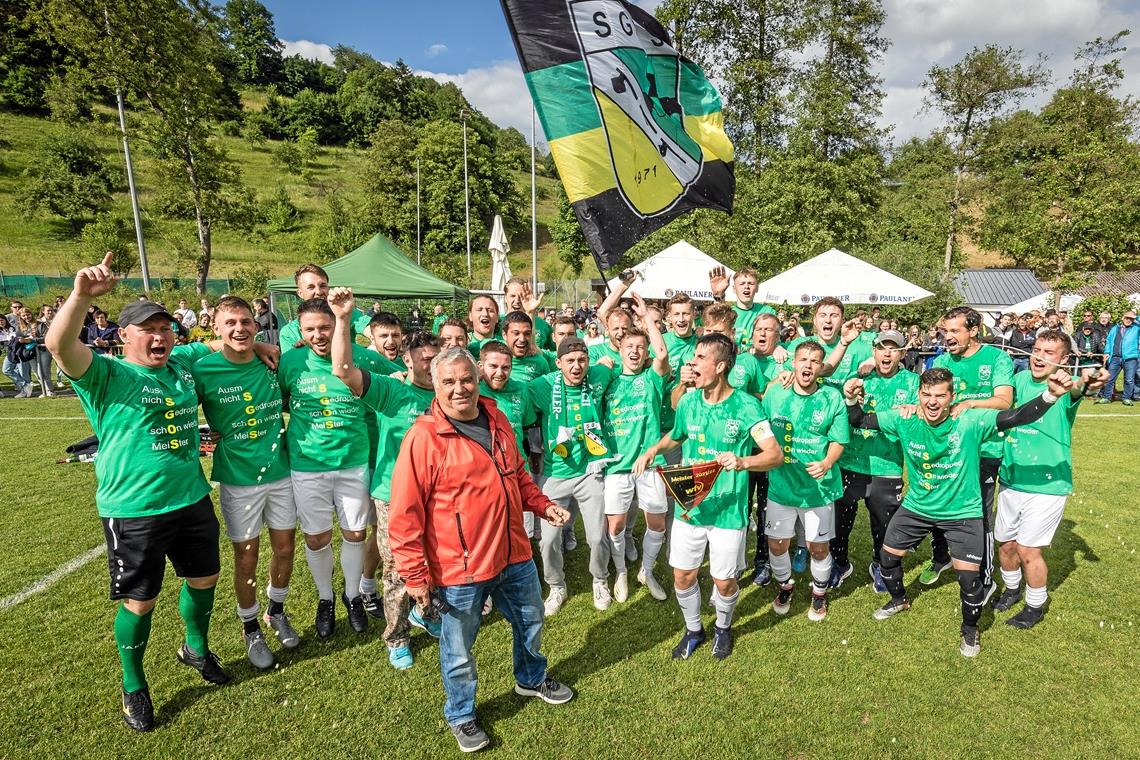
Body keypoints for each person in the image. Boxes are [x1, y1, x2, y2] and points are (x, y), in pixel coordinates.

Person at [45, 254, 275, 731]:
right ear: (124, 335)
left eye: (166, 329)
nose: (159, 337)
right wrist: (82, 297)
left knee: (205, 580)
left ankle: (195, 648)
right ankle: (134, 684)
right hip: (134, 509)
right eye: (147, 330)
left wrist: (260, 348)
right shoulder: (107, 375)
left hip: (191, 498)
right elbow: (58, 345)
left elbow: (227, 340)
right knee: (140, 601)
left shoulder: (183, 363)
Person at [388, 346, 573, 753]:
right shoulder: (423, 438)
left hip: (515, 554)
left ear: (478, 380)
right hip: (461, 570)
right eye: (449, 382)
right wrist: (416, 577)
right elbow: (404, 515)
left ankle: (530, 679)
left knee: (531, 621)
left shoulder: (497, 417)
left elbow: (519, 475)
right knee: (457, 649)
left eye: (466, 379)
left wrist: (543, 505)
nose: (460, 389)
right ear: (434, 386)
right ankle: (461, 713)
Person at [845, 366, 1073, 656]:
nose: (932, 402)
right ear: (918, 395)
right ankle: (899, 599)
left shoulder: (969, 421)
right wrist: (851, 399)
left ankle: (970, 629)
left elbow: (1016, 416)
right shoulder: (905, 418)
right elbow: (860, 420)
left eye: (940, 396)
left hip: (962, 512)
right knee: (887, 558)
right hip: (918, 506)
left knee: (969, 580)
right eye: (926, 395)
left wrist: (1051, 395)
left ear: (952, 397)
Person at [633, 333, 782, 659]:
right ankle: (693, 630)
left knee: (724, 582)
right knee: (683, 575)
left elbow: (775, 454)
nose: (691, 363)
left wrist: (744, 461)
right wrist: (653, 450)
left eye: (699, 358)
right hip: (690, 508)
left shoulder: (746, 406)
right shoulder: (688, 401)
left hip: (728, 513)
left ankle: (724, 628)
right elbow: (676, 436)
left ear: (721, 366)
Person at [327, 289, 442, 669]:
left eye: (435, 359)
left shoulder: (448, 395)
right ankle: (395, 636)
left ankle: (424, 613)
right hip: (394, 497)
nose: (431, 366)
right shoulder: (392, 389)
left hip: (438, 496)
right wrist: (343, 319)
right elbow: (344, 371)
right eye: (424, 360)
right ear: (406, 360)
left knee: (435, 560)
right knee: (397, 569)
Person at [192, 296, 298, 669]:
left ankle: (276, 610)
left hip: (281, 471)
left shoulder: (273, 362)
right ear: (216, 328)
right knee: (247, 557)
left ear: (257, 326)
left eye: (247, 322)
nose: (240, 329)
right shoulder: (202, 369)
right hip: (238, 479)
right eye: (231, 323)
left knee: (285, 548)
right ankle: (250, 627)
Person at [277, 298, 381, 640]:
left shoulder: (363, 357)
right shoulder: (289, 361)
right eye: (310, 329)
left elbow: (402, 375)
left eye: (326, 327)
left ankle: (352, 596)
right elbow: (272, 401)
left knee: (355, 533)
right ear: (300, 331)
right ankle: (326, 599)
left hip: (353, 462)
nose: (319, 335)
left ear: (339, 327)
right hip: (308, 465)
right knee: (317, 537)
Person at [993, 330, 1109, 628]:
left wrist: (1091, 381)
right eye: (1036, 349)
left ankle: (1035, 605)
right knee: (1005, 544)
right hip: (1011, 477)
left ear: (1064, 360)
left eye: (1049, 352)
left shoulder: (1065, 384)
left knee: (1028, 549)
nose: (1039, 357)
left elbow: (1083, 387)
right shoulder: (1018, 382)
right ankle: (1011, 589)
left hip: (1048, 484)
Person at [761, 341, 850, 620]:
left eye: (814, 361)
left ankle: (819, 593)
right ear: (794, 363)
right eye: (802, 360)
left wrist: (826, 462)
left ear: (821, 367)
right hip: (781, 486)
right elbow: (759, 426)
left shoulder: (831, 398)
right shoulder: (776, 393)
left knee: (817, 547)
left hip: (818, 489)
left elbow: (838, 440)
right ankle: (785, 585)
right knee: (776, 544)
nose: (807, 366)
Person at [931, 307, 1015, 601]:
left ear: (974, 329)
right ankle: (941, 558)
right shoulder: (941, 361)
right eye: (945, 331)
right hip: (948, 449)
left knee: (979, 516)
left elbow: (1005, 401)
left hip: (985, 451)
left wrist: (968, 403)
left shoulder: (996, 359)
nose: (948, 337)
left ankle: (985, 577)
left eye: (955, 331)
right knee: (940, 508)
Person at [528, 336, 615, 615]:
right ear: (558, 363)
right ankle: (556, 585)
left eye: (582, 360)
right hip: (556, 474)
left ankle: (600, 579)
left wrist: (607, 361)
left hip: (591, 471)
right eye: (570, 361)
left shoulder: (600, 374)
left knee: (596, 536)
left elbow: (620, 360)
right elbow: (512, 390)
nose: (577, 367)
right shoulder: (543, 386)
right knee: (549, 539)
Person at [830, 330, 918, 592]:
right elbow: (842, 414)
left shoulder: (913, 383)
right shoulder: (860, 378)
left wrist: (914, 410)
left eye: (894, 349)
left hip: (887, 465)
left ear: (902, 353)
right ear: (874, 351)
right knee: (840, 519)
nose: (887, 353)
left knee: (884, 522)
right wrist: (849, 396)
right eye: (882, 348)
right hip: (850, 461)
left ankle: (880, 565)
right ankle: (839, 562)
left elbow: (920, 415)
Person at [602, 295, 671, 603]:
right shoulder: (608, 377)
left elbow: (662, 351)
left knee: (656, 523)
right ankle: (620, 572)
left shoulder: (652, 378)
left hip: (651, 464)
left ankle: (647, 569)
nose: (634, 351)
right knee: (615, 525)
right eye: (629, 346)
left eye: (639, 348)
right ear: (620, 349)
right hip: (617, 465)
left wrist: (646, 318)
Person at [277, 263, 371, 348]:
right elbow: (291, 363)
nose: (318, 292)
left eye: (322, 286)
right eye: (311, 287)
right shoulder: (289, 332)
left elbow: (374, 331)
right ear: (300, 293)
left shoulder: (344, 313)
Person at [708, 266, 776, 348]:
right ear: (734, 289)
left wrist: (778, 348)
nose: (746, 287)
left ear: (757, 288)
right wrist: (718, 294)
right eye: (742, 283)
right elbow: (715, 323)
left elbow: (775, 339)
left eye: (750, 283)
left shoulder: (767, 312)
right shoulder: (728, 313)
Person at [500, 311, 555, 384]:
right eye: (516, 333)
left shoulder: (540, 362)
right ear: (504, 335)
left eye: (527, 334)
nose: (522, 339)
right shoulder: (493, 356)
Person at [1097, 310, 1139, 404]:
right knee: (1110, 378)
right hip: (1115, 357)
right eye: (1127, 317)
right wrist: (1107, 352)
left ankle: (1126, 398)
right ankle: (1107, 397)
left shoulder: (1136, 328)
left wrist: (1136, 317)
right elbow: (1109, 341)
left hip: (1130, 357)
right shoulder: (1115, 328)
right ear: (1122, 318)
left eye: (1131, 319)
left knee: (1129, 379)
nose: (1128, 320)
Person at [505, 277, 553, 350]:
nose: (517, 300)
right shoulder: (497, 322)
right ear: (505, 298)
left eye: (521, 296)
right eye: (512, 296)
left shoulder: (542, 324)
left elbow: (554, 352)